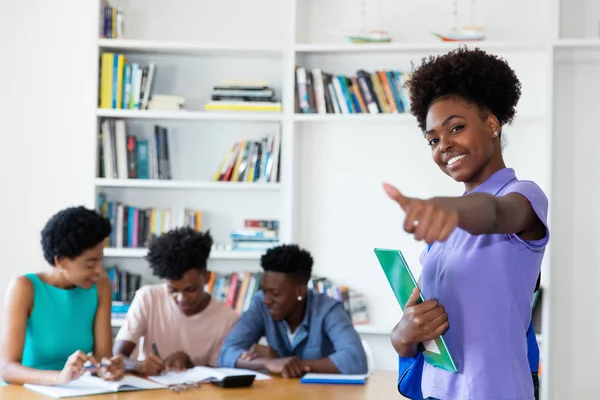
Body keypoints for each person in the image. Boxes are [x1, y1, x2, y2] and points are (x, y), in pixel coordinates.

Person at [385, 47, 549, 400]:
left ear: (491, 123)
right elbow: (432, 336)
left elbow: (494, 214)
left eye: (455, 128)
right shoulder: (440, 235)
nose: (444, 146)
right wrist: (403, 336)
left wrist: (448, 211)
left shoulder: (523, 198)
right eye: (433, 140)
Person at [0, 206, 125, 386]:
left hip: (75, 391)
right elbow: (7, 369)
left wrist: (108, 368)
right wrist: (59, 378)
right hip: (25, 393)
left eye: (100, 260)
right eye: (90, 264)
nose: (99, 270)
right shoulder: (24, 288)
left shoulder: (101, 286)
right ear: (61, 261)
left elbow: (102, 357)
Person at [218, 244, 368, 378]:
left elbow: (355, 359)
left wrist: (292, 364)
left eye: (275, 294)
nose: (267, 300)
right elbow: (226, 353)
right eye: (264, 291)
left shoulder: (329, 309)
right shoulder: (260, 304)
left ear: (300, 292)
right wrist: (267, 363)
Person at [113, 227, 239, 375]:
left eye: (191, 290)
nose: (182, 299)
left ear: (207, 277)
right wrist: (138, 365)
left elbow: (217, 376)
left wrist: (188, 363)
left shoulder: (228, 319)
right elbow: (118, 356)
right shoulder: (148, 298)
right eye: (173, 291)